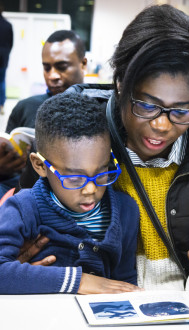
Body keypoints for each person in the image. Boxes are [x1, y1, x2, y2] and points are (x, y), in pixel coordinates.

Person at [17, 4, 189, 292]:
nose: (162, 125)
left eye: (182, 110)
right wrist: (24, 263)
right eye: (147, 105)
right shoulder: (71, 134)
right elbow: (23, 231)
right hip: (96, 304)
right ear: (121, 85)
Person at [0, 91, 140, 294]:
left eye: (102, 173)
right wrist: (78, 281)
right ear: (40, 165)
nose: (91, 189)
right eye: (74, 178)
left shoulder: (126, 210)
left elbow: (125, 282)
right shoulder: (23, 208)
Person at [0, 29, 87, 198]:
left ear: (83, 64)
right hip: (23, 189)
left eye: (62, 67)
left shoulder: (97, 107)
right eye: (47, 68)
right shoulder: (26, 106)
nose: (52, 76)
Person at [0, 1, 13, 116]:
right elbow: (10, 43)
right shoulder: (7, 25)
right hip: (3, 58)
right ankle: (1, 106)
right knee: (2, 82)